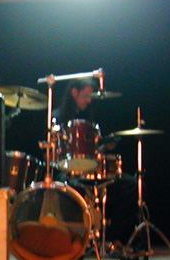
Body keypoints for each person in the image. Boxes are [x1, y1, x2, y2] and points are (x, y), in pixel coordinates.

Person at [51, 78, 138, 247]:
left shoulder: (89, 118)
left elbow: (91, 152)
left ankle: (113, 238)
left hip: (90, 171)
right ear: (74, 92)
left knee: (131, 185)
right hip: (67, 171)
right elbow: (55, 155)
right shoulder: (57, 118)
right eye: (86, 96)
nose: (89, 100)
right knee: (67, 187)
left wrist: (103, 146)